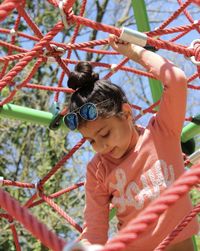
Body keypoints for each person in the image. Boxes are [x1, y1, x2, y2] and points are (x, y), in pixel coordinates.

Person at [63, 34, 199, 251]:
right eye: (91, 142)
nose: (100, 146)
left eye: (105, 134)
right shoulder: (98, 170)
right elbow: (95, 229)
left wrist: (134, 52)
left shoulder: (161, 133)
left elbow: (176, 79)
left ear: (126, 113)